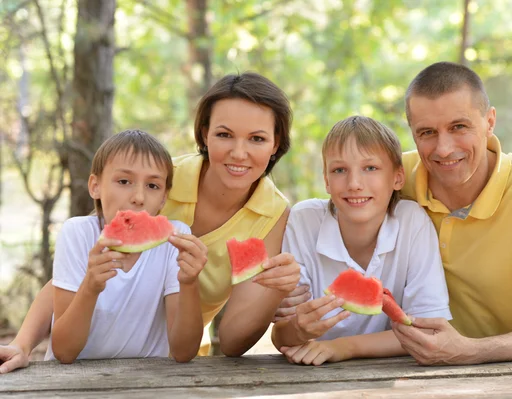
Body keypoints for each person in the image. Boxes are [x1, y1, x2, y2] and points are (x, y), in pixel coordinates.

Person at [276, 62, 512, 366]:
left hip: (509, 365)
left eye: (459, 127)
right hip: (415, 363)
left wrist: (468, 351)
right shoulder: (393, 179)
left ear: (490, 121)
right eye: (426, 132)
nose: (443, 149)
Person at [0, 72, 301, 373]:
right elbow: (76, 269)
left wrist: (274, 292)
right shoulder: (159, 179)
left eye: (257, 139)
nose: (239, 152)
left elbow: (233, 341)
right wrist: (23, 344)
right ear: (205, 134)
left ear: (276, 144)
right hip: (89, 355)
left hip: (176, 358)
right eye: (224, 134)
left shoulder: (272, 214)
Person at [271, 116, 451, 366]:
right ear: (326, 180)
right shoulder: (304, 222)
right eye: (339, 170)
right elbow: (282, 335)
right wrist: (298, 330)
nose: (354, 184)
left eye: (370, 168)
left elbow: (427, 331)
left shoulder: (412, 222)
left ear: (398, 178)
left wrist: (342, 348)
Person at [47, 130, 205, 363]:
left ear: (164, 198)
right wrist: (90, 287)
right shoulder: (77, 234)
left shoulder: (176, 238)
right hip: (74, 381)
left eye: (153, 186)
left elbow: (184, 352)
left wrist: (189, 283)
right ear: (95, 186)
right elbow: (64, 352)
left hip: (146, 381)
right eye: (124, 181)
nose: (139, 197)